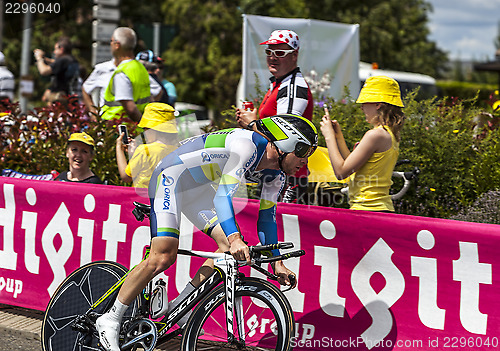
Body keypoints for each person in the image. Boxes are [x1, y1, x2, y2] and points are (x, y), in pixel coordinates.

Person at [96, 114, 318, 350]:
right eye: (303, 151)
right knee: (163, 255)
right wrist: (234, 238)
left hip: (197, 189)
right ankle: (110, 318)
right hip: (171, 178)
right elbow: (223, 197)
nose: (305, 160)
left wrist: (277, 265)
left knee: (227, 252)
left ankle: (177, 307)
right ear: (285, 144)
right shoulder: (248, 145)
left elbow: (267, 218)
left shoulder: (276, 174)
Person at [235, 29, 314, 204]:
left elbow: (289, 136)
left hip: (287, 176)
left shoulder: (292, 86)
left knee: (279, 229)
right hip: (274, 174)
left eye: (279, 52)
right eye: (269, 52)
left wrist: (252, 124)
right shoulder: (281, 83)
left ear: (294, 55)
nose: (272, 57)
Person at [320, 75, 405, 212]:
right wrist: (338, 137)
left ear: (378, 104)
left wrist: (329, 137)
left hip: (368, 209)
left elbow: (341, 172)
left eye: (364, 103)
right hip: (380, 208)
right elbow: (352, 166)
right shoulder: (389, 134)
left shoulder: (375, 135)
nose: (362, 108)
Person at [116, 102, 178, 188]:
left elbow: (126, 177)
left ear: (151, 129)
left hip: (142, 199)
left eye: (145, 130)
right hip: (164, 199)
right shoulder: (177, 151)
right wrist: (133, 154)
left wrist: (119, 149)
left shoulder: (144, 150)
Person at [100, 27, 151, 122]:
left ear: (117, 45)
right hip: (135, 130)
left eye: (111, 41)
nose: (110, 44)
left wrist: (145, 126)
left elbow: (130, 109)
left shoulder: (122, 72)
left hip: (118, 129)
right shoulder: (140, 67)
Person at [33, 37, 80, 105]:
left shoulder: (63, 60)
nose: (54, 52)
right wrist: (44, 59)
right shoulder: (72, 60)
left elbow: (44, 71)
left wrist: (39, 58)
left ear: (61, 49)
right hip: (71, 99)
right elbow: (54, 63)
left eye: (55, 49)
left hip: (61, 100)